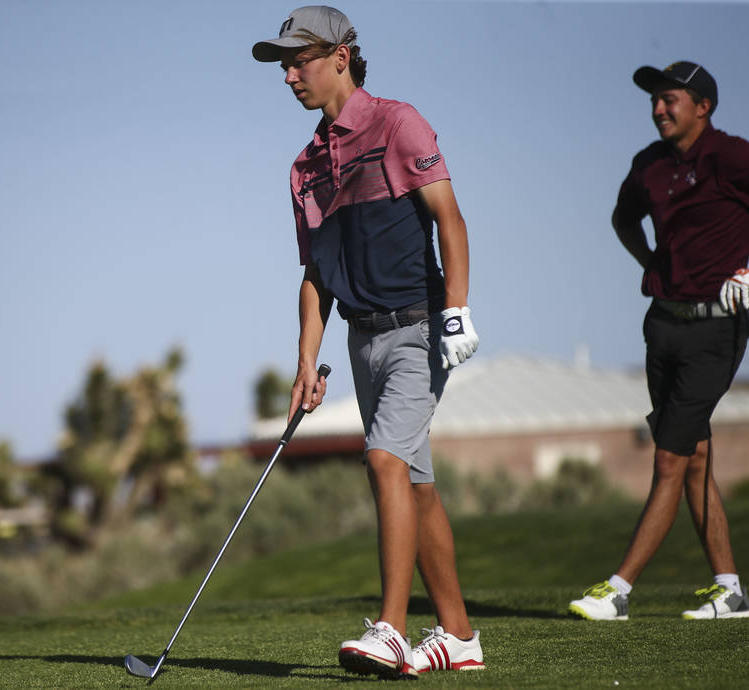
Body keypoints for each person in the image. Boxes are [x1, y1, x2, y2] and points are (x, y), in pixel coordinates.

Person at [252, 6, 484, 678]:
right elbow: (315, 275)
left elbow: (450, 218)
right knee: (414, 484)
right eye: (284, 65)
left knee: (383, 460)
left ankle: (391, 628)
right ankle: (461, 637)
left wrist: (458, 311)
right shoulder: (304, 167)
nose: (290, 75)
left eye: (301, 60)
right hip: (362, 341)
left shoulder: (397, 122)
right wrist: (304, 363)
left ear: (342, 56)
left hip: (419, 326)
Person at [569, 61, 749, 622]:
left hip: (716, 327)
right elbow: (624, 220)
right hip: (663, 323)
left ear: (703, 106)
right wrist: (653, 265)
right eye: (654, 101)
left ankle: (618, 590)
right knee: (693, 457)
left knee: (670, 459)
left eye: (670, 99)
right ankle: (730, 591)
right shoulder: (648, 164)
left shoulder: (733, 156)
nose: (658, 109)